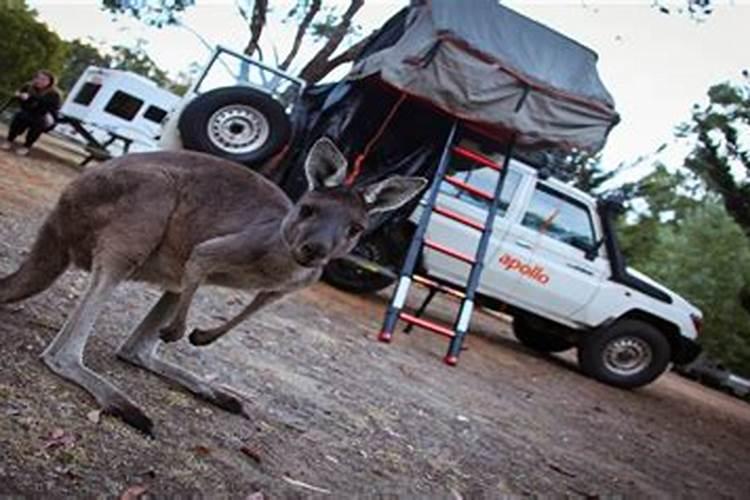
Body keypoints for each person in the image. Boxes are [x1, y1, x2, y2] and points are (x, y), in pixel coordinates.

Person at [0, 70, 62, 156]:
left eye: (44, 79)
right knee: (20, 116)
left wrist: (31, 98)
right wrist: (19, 96)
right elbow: (21, 102)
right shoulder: (28, 86)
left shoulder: (54, 93)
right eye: (38, 78)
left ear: (50, 82)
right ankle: (9, 141)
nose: (40, 81)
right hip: (27, 111)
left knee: (39, 122)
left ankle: (26, 146)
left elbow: (51, 107)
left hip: (44, 114)